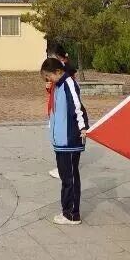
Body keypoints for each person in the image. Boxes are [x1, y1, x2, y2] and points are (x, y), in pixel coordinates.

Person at [41, 58, 88, 227]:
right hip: (60, 140)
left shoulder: (68, 84)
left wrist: (83, 127)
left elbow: (78, 107)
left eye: (49, 76)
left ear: (58, 72)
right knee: (65, 177)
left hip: (70, 139)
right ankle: (67, 210)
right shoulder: (58, 85)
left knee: (70, 178)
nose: (48, 80)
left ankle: (72, 214)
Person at [46, 43, 78, 179]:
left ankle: (64, 169)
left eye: (54, 58)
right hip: (55, 109)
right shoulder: (56, 72)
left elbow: (73, 100)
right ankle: (62, 167)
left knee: (62, 139)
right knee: (56, 138)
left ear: (62, 58)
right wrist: (49, 87)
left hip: (62, 112)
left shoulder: (66, 75)